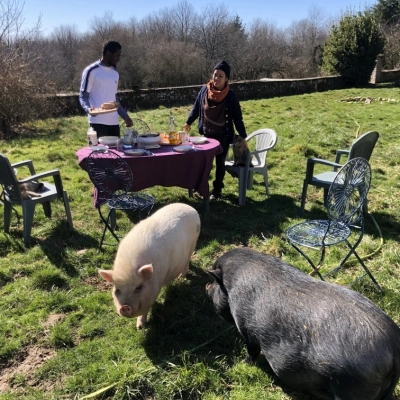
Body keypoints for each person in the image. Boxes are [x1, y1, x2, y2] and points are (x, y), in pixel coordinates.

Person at [184, 60, 247, 201]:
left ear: (226, 79)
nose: (217, 79)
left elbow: (238, 118)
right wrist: (188, 122)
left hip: (223, 135)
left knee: (220, 164)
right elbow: (196, 108)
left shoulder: (231, 96)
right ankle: (200, 187)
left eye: (220, 76)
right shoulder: (204, 90)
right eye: (215, 75)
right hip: (207, 134)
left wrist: (243, 136)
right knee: (204, 162)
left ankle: (217, 191)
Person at [79, 40, 133, 138]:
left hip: (114, 123)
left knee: (117, 152)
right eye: (117, 55)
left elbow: (115, 100)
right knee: (101, 153)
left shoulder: (115, 73)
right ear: (108, 53)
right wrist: (88, 109)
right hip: (98, 122)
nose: (118, 59)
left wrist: (125, 116)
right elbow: (83, 96)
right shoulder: (91, 71)